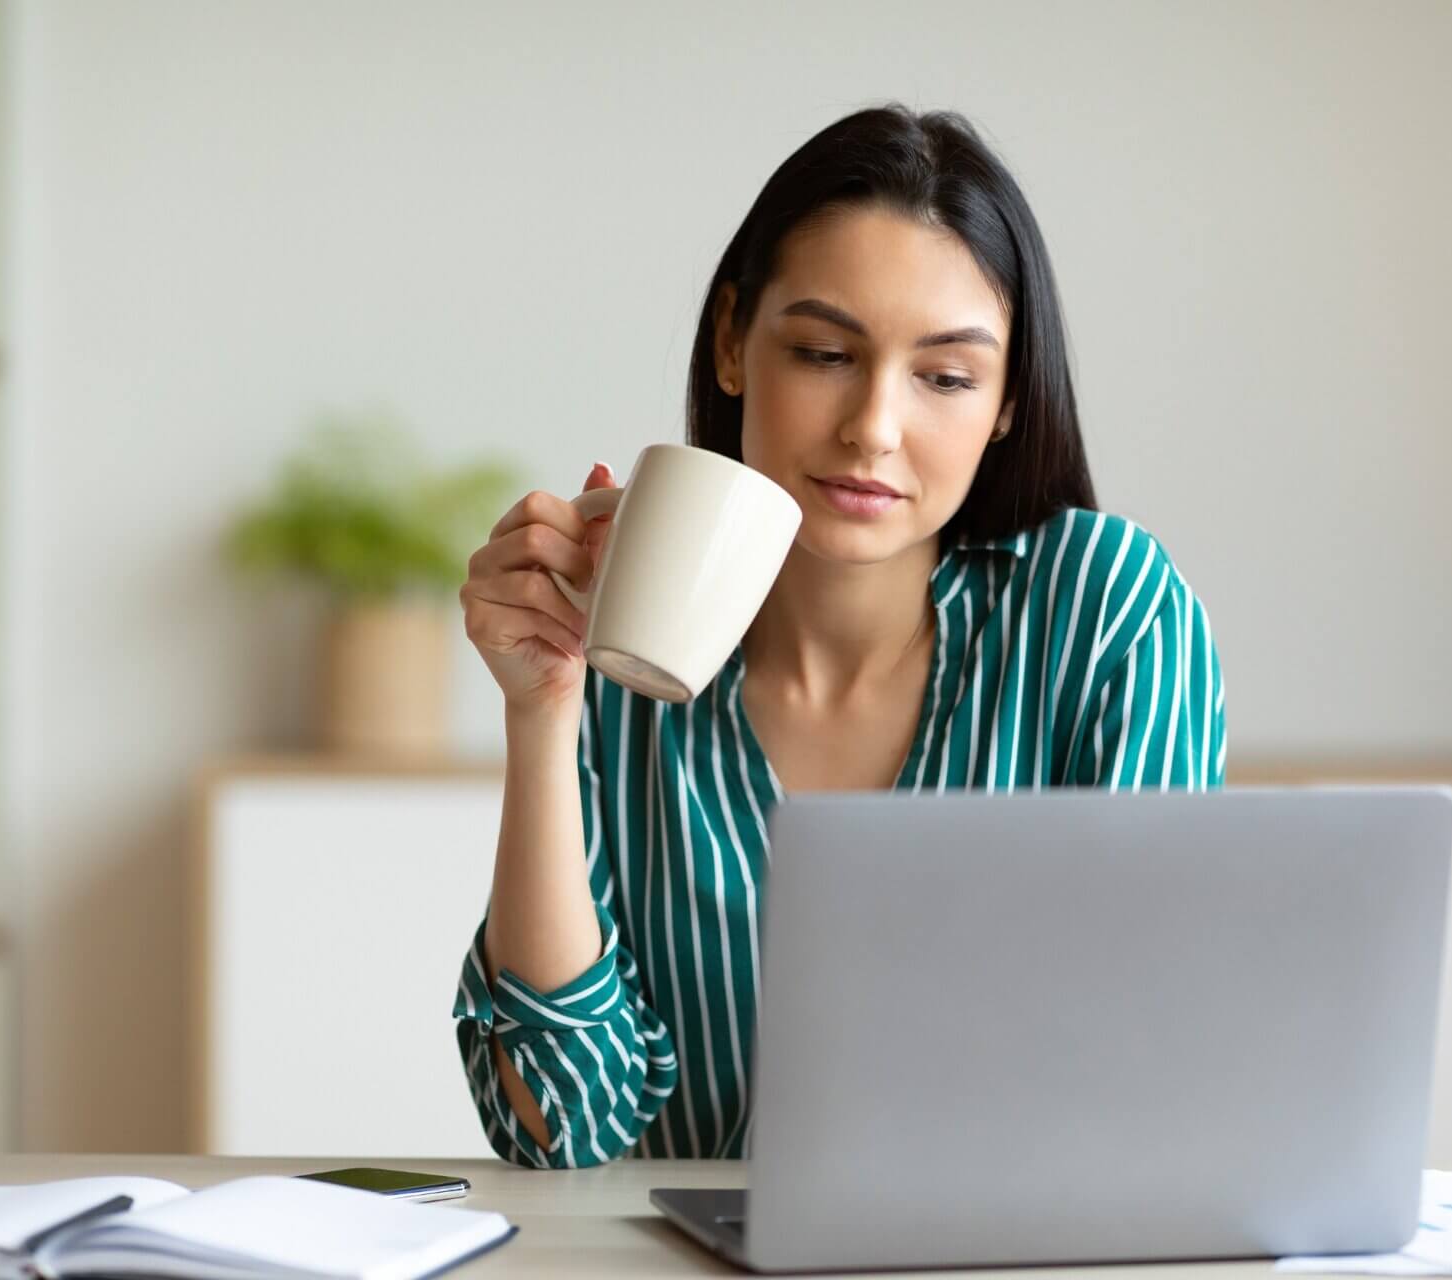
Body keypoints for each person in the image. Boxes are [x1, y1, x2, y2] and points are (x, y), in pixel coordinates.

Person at [452, 103, 1226, 1170]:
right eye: (823, 351)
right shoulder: (618, 643)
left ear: (1006, 401)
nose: (874, 425)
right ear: (732, 340)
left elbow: (1157, 1055)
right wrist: (542, 716)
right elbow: (561, 1130)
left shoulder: (1105, 612)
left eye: (946, 376)